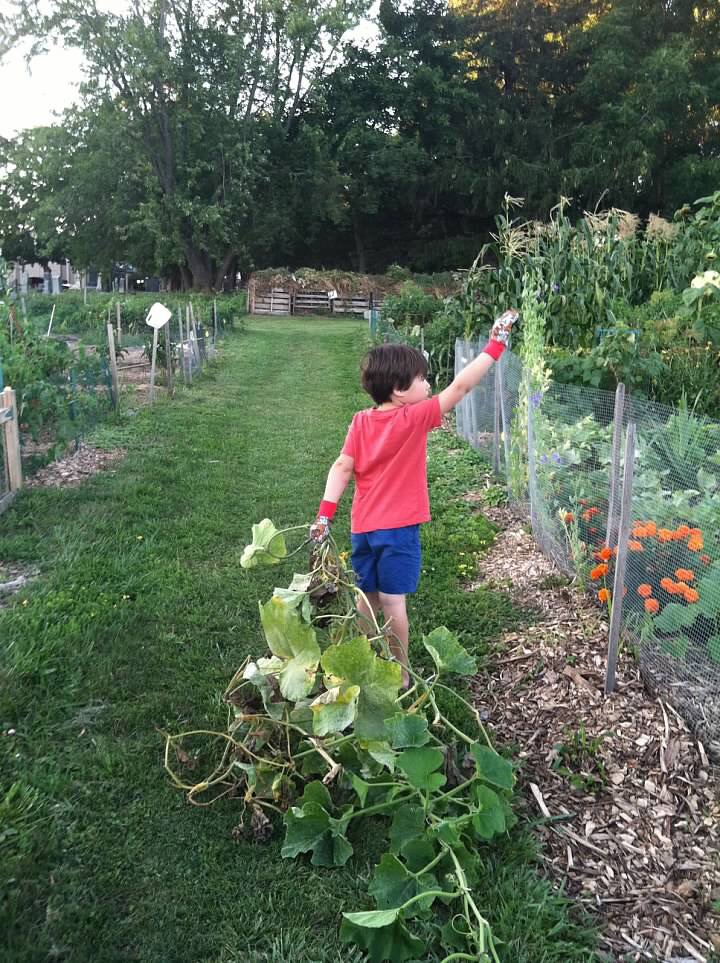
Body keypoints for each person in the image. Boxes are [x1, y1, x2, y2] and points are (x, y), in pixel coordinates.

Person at [310, 309, 519, 686]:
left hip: (363, 529)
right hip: (398, 531)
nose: (428, 384)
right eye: (422, 378)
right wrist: (496, 344)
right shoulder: (415, 417)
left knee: (365, 597)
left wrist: (324, 516)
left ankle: (360, 661)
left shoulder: (360, 421)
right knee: (393, 603)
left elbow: (342, 466)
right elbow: (461, 387)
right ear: (399, 390)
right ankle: (401, 673)